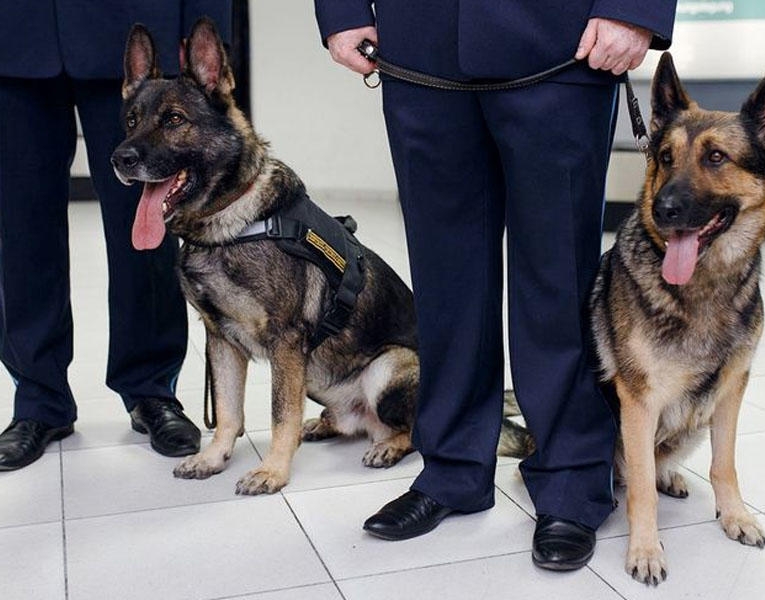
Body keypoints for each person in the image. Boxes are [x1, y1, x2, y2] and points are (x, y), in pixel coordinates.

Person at [315, 0, 676, 570]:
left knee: (558, 278)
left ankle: (571, 481)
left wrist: (633, 8)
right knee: (443, 280)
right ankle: (453, 469)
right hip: (419, 45)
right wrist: (341, 9)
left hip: (563, 44)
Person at [0, 1, 232, 471]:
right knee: (20, 230)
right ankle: (39, 399)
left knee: (144, 231)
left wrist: (208, 26)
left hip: (129, 22)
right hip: (12, 34)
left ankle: (151, 389)